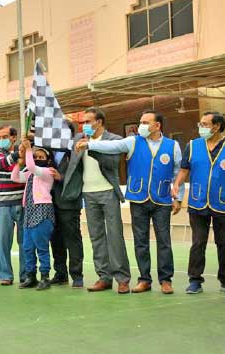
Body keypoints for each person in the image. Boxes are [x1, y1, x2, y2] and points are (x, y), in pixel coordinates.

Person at [78, 110, 183, 294]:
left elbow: (178, 172)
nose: (141, 126)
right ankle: (144, 279)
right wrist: (89, 145)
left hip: (162, 199)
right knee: (140, 242)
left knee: (164, 241)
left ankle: (166, 280)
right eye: (141, 122)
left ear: (157, 125)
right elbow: (113, 146)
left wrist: (178, 197)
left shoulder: (172, 145)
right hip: (138, 198)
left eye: (145, 122)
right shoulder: (133, 141)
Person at [173, 111, 225, 295]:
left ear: (217, 126)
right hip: (197, 202)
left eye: (205, 124)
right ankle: (195, 280)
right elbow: (184, 169)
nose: (201, 127)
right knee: (198, 242)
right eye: (201, 124)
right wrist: (176, 185)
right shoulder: (192, 145)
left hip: (224, 202)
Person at [66, 108, 131, 294]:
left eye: (88, 122)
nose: (84, 126)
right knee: (96, 237)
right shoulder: (78, 140)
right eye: (82, 123)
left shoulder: (114, 140)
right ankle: (104, 277)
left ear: (99, 122)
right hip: (88, 193)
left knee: (115, 236)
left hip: (108, 191)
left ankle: (122, 279)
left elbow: (112, 163)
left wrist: (91, 147)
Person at [12, 138, 57, 290]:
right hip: (29, 211)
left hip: (42, 210)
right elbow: (15, 177)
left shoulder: (47, 172)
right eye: (36, 157)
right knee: (27, 247)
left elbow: (32, 166)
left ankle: (45, 277)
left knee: (41, 247)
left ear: (48, 160)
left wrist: (29, 149)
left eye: (41, 157)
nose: (38, 159)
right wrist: (18, 164)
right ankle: (31, 276)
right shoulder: (31, 174)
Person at [49, 120, 85, 288]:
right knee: (55, 239)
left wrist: (61, 177)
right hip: (50, 201)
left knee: (72, 238)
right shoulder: (49, 150)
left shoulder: (76, 150)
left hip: (69, 201)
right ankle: (60, 273)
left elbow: (79, 175)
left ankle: (77, 275)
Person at [0, 125, 26, 285]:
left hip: (22, 202)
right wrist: (18, 156)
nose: (1, 140)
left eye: (4, 137)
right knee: (3, 241)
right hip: (3, 203)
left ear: (14, 137)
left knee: (24, 242)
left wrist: (23, 154)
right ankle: (5, 275)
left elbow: (26, 169)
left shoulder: (23, 151)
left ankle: (26, 275)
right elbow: (0, 164)